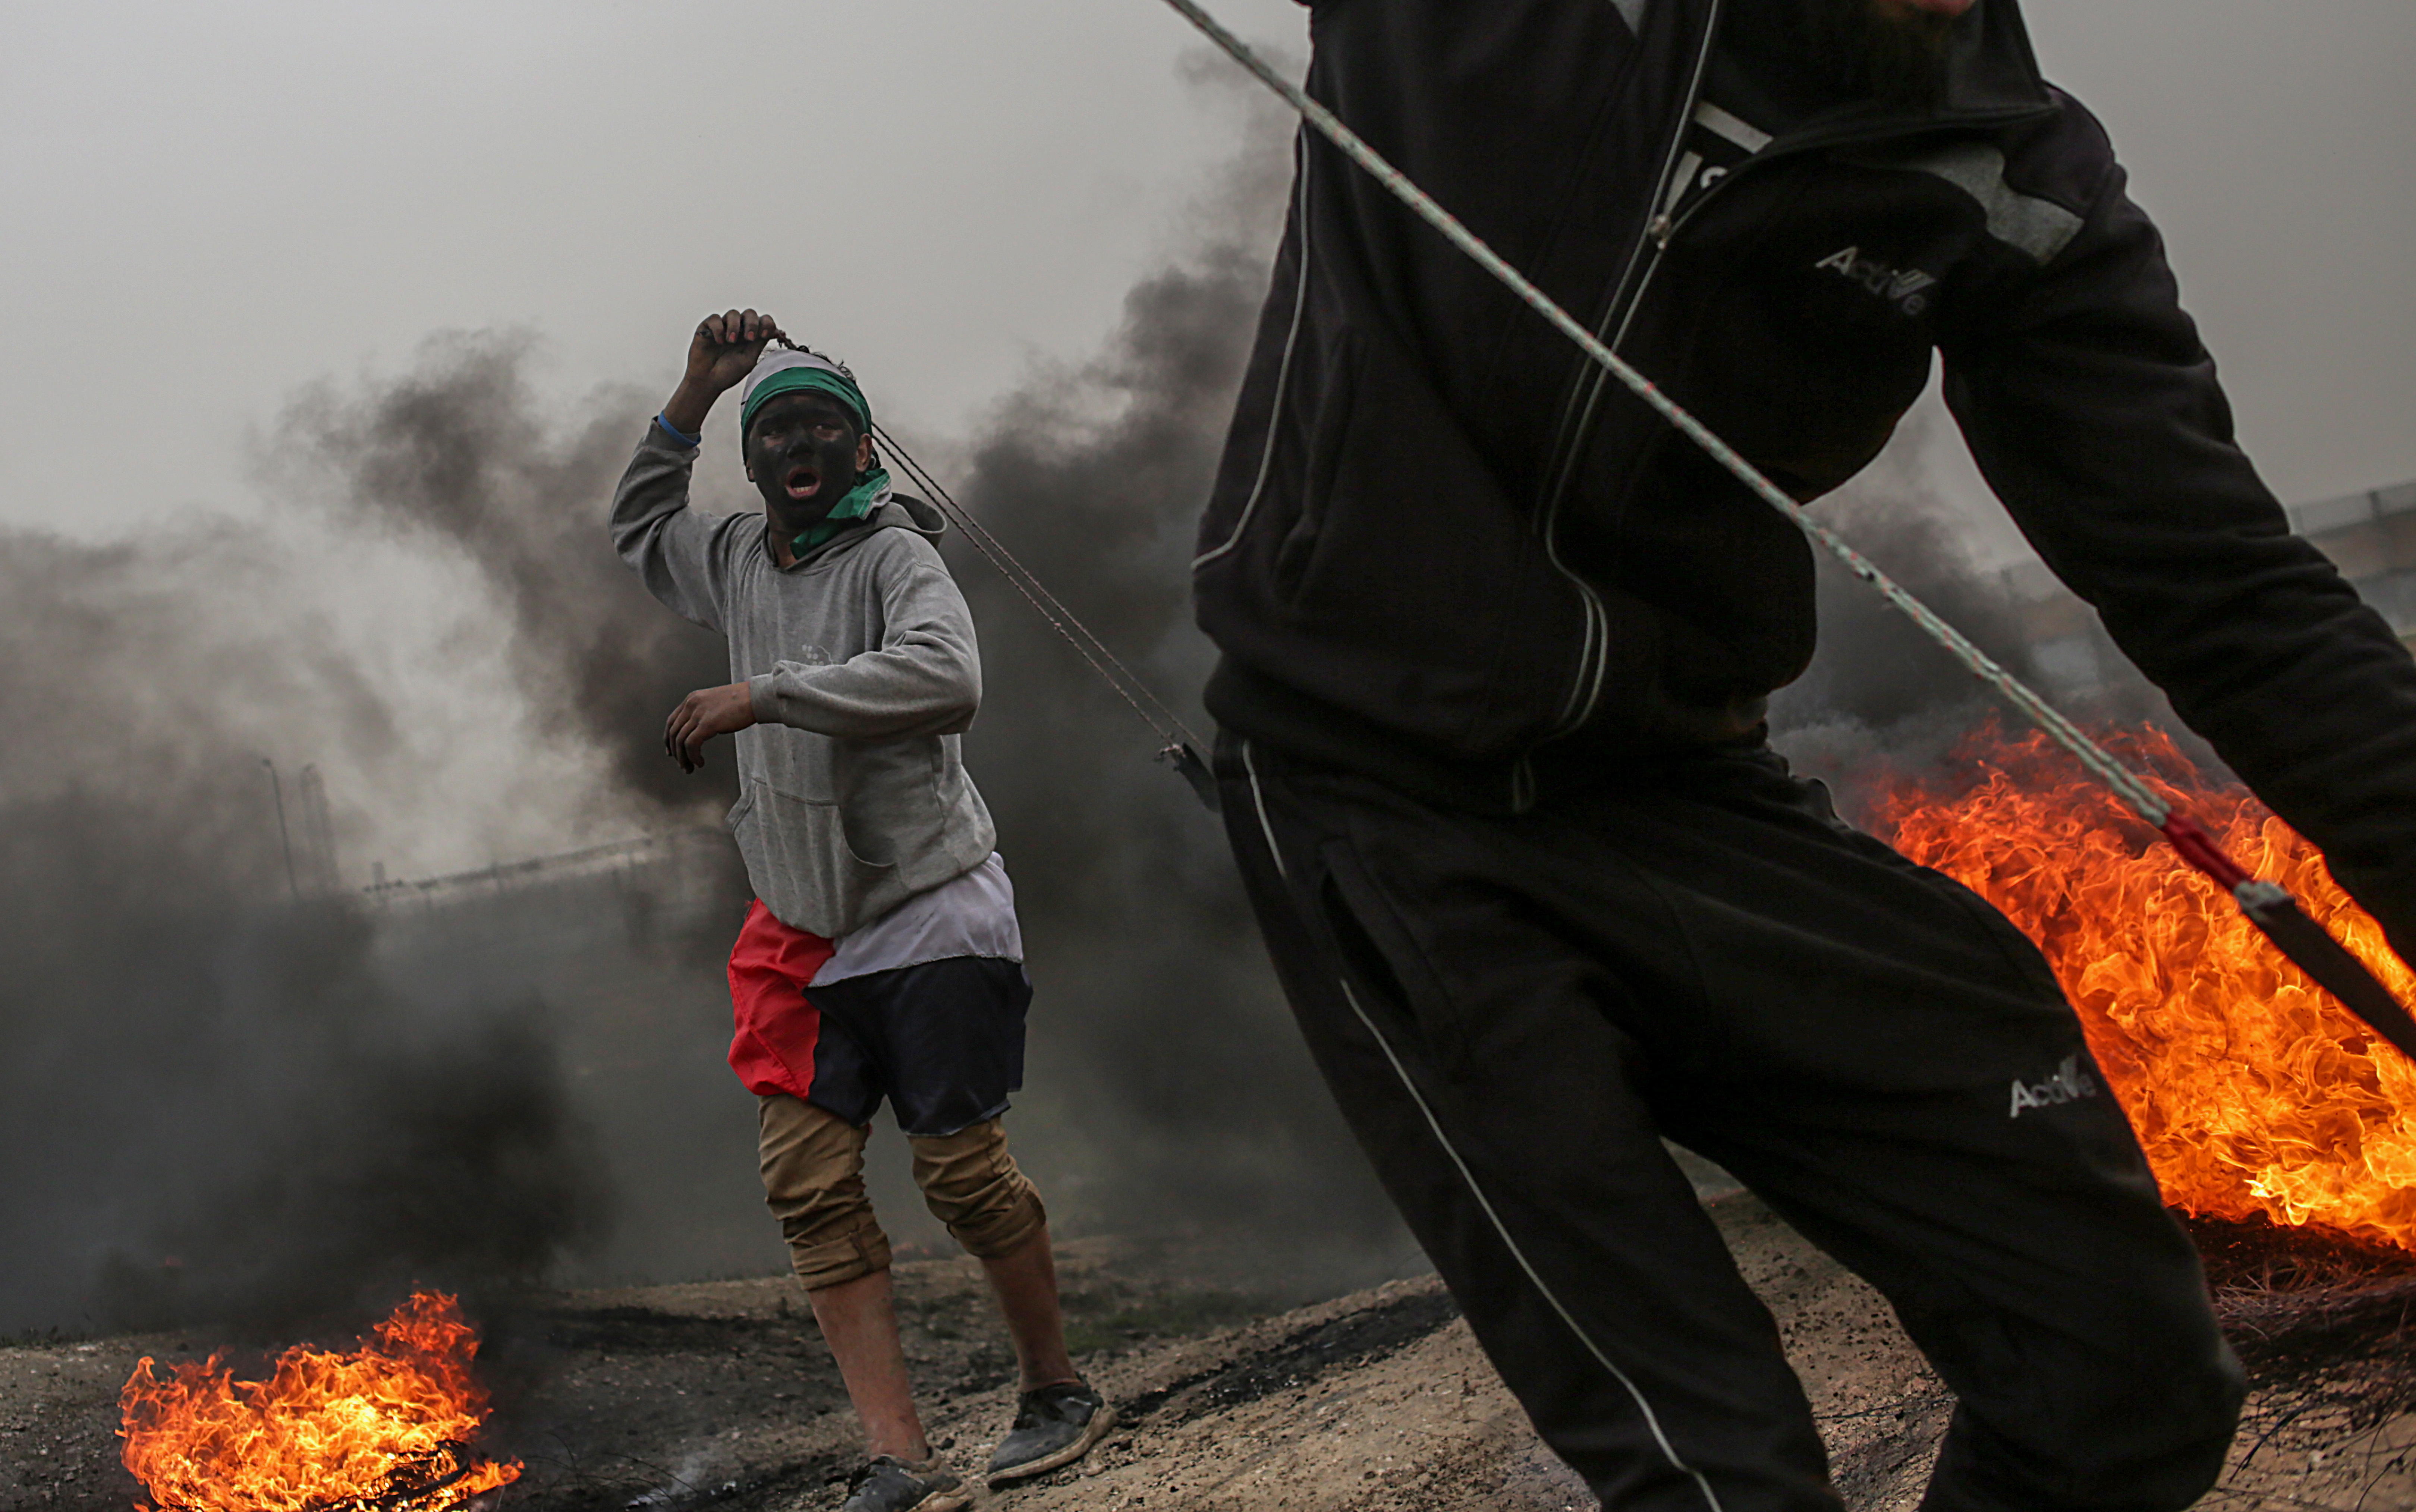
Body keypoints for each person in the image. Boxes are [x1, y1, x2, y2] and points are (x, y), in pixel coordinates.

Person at [1192, 1, 2416, 1508]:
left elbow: (2231, 594)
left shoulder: (2018, 176)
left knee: (2125, 1367)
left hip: (1690, 791)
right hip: (1373, 800)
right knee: (1717, 1476)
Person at [612, 310, 1114, 1512]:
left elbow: (951, 678)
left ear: (861, 448)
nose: (799, 445)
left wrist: (765, 697)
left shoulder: (897, 558)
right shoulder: (735, 554)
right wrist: (692, 388)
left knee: (960, 1176)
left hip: (929, 906)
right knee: (809, 1186)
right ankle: (899, 1458)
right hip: (797, 921)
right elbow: (638, 525)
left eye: (823, 428)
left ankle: (1057, 1391)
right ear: (752, 454)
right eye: (776, 426)